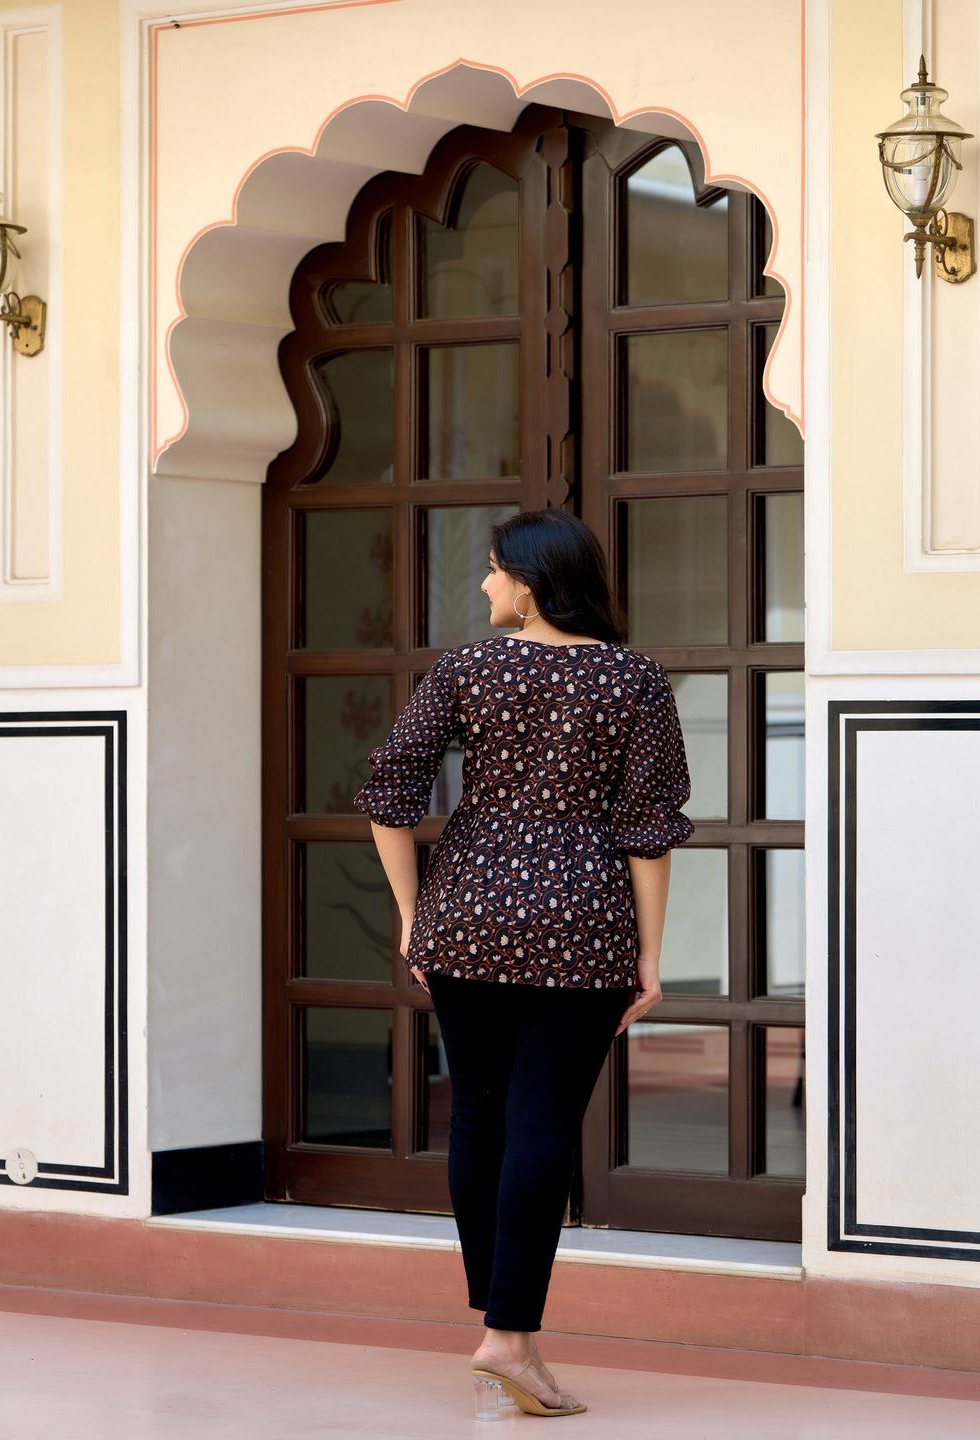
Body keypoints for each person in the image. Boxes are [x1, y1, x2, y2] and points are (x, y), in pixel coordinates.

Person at [352, 509, 693, 1418]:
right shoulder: (634, 679)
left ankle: (505, 1330)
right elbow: (648, 829)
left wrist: (415, 916)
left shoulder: (465, 669)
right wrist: (650, 957)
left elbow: (388, 793)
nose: (486, 585)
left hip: (468, 916)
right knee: (542, 1128)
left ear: (531, 585)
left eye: (496, 570)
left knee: (480, 1120)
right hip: (582, 923)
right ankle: (510, 1338)